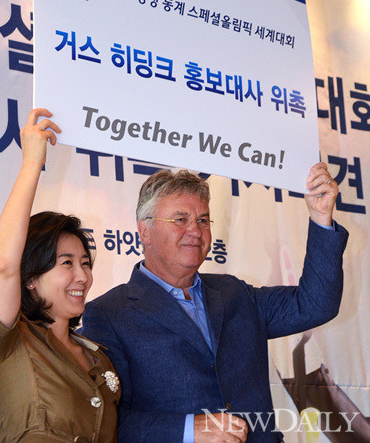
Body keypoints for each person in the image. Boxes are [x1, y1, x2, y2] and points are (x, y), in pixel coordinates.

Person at [81, 164, 348, 443]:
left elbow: (315, 304)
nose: (195, 231)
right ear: (144, 231)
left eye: (203, 220)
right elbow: (104, 419)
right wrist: (188, 429)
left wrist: (321, 217)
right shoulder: (109, 314)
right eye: (180, 219)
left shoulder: (234, 292)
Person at [0, 108, 120, 443]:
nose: (82, 276)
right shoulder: (10, 340)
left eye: (85, 263)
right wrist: (31, 163)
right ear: (30, 277)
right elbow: (3, 264)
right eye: (66, 263)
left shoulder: (97, 356)